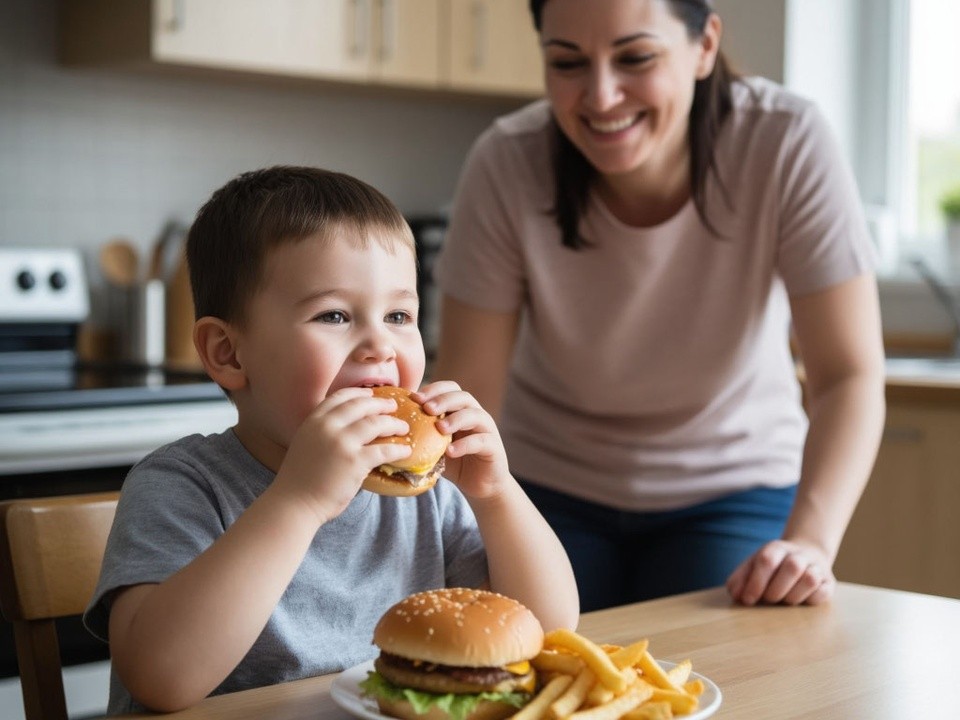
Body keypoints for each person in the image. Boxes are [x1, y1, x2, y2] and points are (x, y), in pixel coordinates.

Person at [433, 0, 886, 613]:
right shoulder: (507, 161)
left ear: (704, 48)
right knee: (533, 667)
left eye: (636, 57)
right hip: (548, 486)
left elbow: (848, 375)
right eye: (567, 63)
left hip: (733, 487)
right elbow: (470, 388)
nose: (601, 95)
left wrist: (809, 542)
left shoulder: (785, 139)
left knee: (723, 679)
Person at [83, 166, 578, 714]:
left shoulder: (427, 496)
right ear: (228, 352)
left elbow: (548, 635)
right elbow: (160, 677)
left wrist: (497, 494)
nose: (379, 346)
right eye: (335, 315)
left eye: (398, 314)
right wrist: (300, 500)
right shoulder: (181, 485)